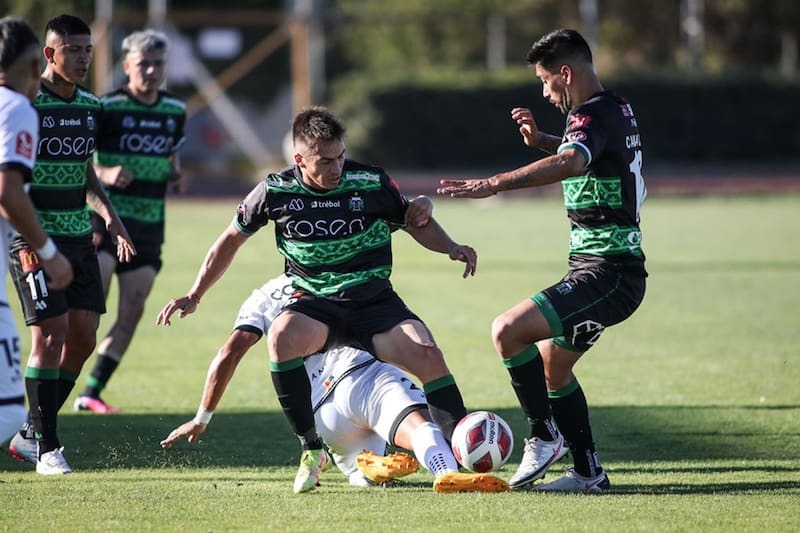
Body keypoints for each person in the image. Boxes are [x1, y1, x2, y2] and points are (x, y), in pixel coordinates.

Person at [157, 106, 476, 493]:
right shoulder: (274, 191)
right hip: (316, 302)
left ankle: (462, 459)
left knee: (427, 351)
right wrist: (195, 294)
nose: (336, 167)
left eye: (340, 156)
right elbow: (230, 240)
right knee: (281, 337)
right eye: (325, 160)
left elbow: (415, 220)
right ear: (299, 159)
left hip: (373, 299)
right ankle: (311, 449)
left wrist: (451, 247)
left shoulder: (370, 181)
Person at [437, 29, 647, 491]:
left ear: (565, 73)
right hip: (606, 270)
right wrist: (543, 142)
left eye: (544, 80)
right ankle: (589, 473)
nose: (545, 92)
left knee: (507, 331)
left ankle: (543, 434)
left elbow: (573, 162)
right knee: (554, 367)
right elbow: (588, 155)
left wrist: (495, 183)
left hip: (609, 273)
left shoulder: (588, 115)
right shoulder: (616, 108)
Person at [158, 274, 508, 494]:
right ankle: (446, 472)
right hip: (363, 376)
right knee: (422, 428)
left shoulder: (263, 296)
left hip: (323, 415)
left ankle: (369, 467)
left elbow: (229, 353)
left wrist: (201, 418)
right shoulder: (344, 270)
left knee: (360, 474)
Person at [6, 14, 135, 475]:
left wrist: (111, 219)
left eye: (87, 50)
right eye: (73, 50)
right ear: (49, 54)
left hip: (79, 235)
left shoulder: (90, 106)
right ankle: (47, 449)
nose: (83, 59)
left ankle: (29, 431)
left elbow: (84, 169)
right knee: (50, 335)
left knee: (83, 337)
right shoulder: (26, 102)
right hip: (33, 238)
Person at [74, 29, 187, 414]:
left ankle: (91, 392)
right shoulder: (107, 107)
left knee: (132, 312)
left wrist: (176, 174)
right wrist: (106, 174)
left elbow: (172, 154)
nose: (151, 71)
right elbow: (82, 159)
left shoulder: (175, 110)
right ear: (126, 66)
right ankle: (54, 385)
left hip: (148, 226)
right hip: (106, 223)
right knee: (88, 315)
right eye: (143, 64)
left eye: (158, 64)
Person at [0, 16, 74, 448]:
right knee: (10, 413)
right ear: (34, 65)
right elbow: (8, 191)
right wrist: (49, 251)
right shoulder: (17, 109)